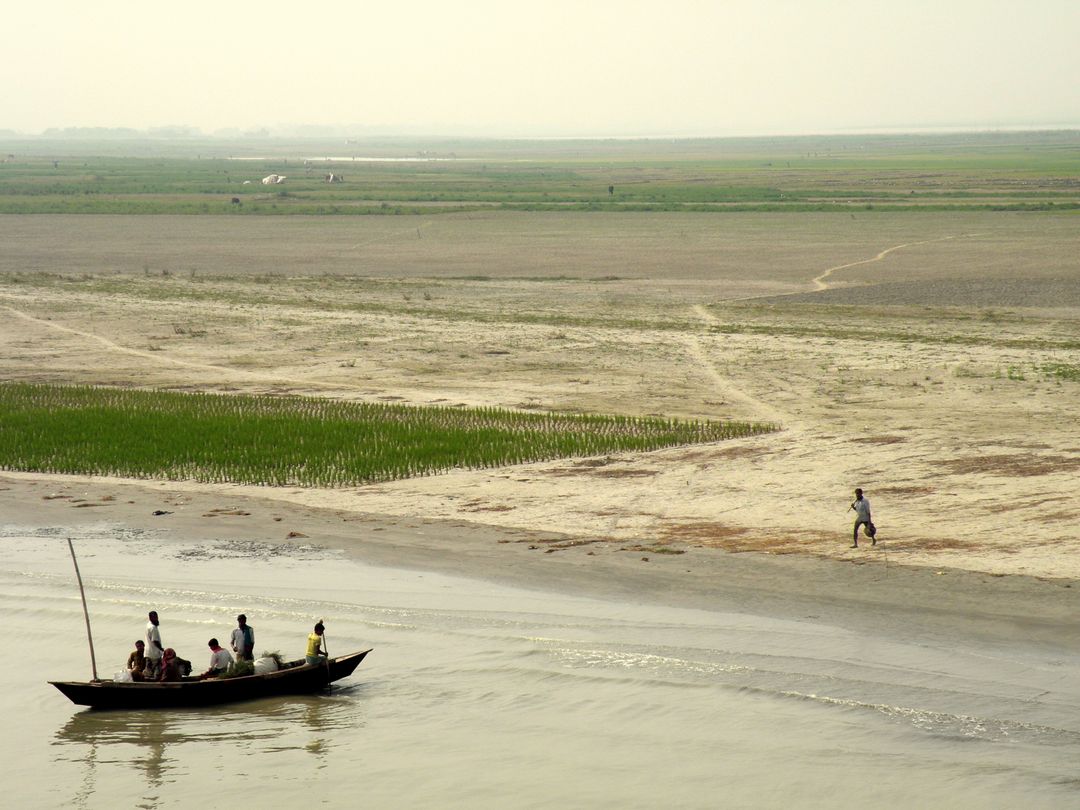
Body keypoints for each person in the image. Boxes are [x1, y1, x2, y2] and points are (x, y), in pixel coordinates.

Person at [143, 611, 165, 679]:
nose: (157, 619)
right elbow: (155, 641)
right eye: (155, 618)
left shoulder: (148, 625)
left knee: (148, 672)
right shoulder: (153, 628)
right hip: (154, 653)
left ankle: (146, 684)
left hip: (148, 652)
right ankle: (156, 684)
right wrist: (161, 648)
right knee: (157, 671)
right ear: (150, 618)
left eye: (157, 617)